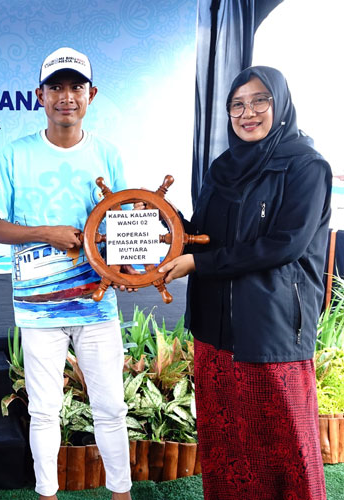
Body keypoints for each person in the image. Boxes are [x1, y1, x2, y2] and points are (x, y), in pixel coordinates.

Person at [159, 66, 331, 500]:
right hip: (215, 334)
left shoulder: (306, 167)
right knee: (227, 447)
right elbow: (206, 234)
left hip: (271, 332)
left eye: (259, 101)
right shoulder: (222, 168)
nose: (247, 112)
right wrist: (158, 218)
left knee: (287, 445)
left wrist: (199, 263)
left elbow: (283, 246)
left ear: (281, 104)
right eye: (237, 104)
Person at [0, 47, 132, 500]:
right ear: (39, 96)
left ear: (92, 94)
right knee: (45, 411)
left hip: (98, 302)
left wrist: (128, 265)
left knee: (111, 408)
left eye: (76, 87)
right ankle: (48, 494)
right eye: (57, 88)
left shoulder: (108, 154)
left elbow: (125, 221)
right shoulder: (14, 155)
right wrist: (45, 232)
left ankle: (121, 493)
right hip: (37, 306)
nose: (67, 97)